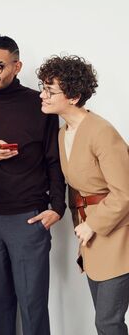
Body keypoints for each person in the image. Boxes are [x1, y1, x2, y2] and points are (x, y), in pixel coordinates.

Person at [0, 35, 66, 335]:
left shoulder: (37, 104)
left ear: (17, 66)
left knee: (33, 304)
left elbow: (54, 159)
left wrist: (58, 207)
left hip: (29, 217)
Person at [38, 55, 129, 335]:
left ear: (74, 96)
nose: (42, 95)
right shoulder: (63, 132)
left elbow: (124, 193)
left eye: (50, 91)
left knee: (107, 322)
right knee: (104, 321)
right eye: (43, 88)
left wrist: (92, 224)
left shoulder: (101, 132)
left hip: (119, 235)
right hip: (91, 236)